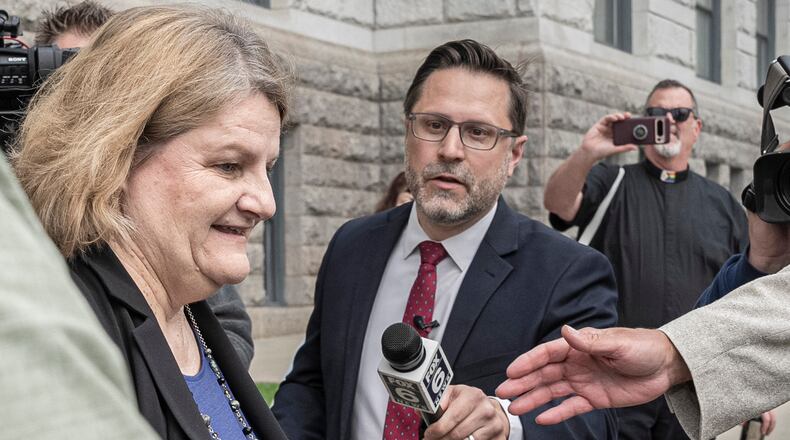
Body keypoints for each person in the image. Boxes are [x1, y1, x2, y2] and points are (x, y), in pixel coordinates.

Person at [272, 39, 619, 440]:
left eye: (478, 132)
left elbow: (592, 421)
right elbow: (312, 384)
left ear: (515, 155)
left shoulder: (567, 273)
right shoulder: (351, 246)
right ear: (408, 131)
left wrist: (506, 423)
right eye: (434, 125)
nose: (450, 150)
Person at [13, 6, 290, 440]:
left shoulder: (188, 307)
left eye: (268, 168)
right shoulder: (64, 331)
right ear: (115, 155)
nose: (266, 204)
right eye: (229, 165)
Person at [33, 0, 257, 368]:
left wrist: (177, 380)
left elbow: (230, 327)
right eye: (74, 74)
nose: (91, 96)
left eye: (108, 74)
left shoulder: (171, 225)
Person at [543, 79, 748, 440]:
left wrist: (749, 389)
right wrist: (588, 152)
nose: (668, 121)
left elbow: (742, 295)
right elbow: (558, 204)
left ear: (696, 128)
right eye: (656, 113)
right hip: (613, 378)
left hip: (692, 382)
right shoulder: (612, 181)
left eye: (679, 114)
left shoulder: (723, 204)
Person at [495, 209, 790, 440]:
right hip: (623, 380)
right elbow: (736, 301)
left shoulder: (719, 202)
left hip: (667, 381)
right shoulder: (616, 180)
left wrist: (746, 381)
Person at [0, 153, 157, 438]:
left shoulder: (198, 302)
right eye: (226, 166)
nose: (243, 199)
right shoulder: (82, 300)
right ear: (120, 168)